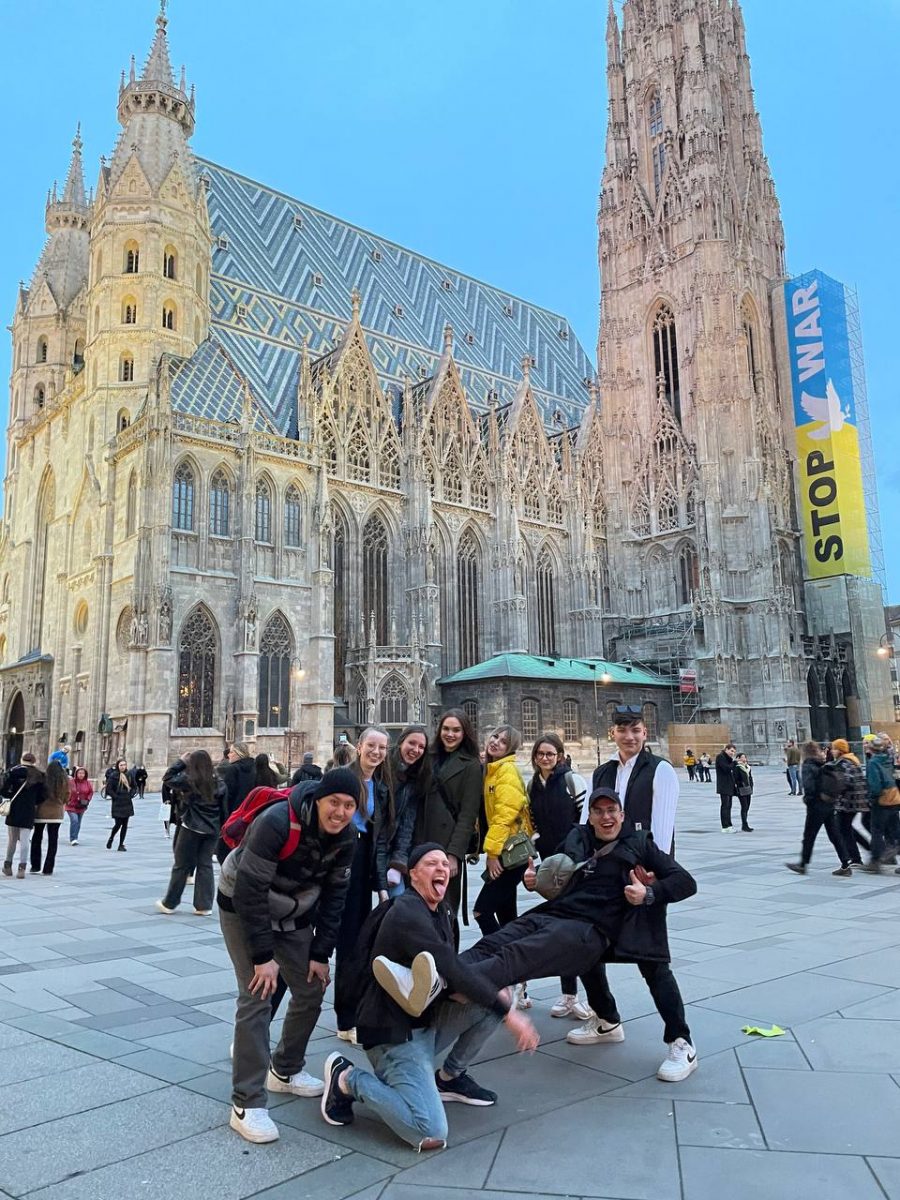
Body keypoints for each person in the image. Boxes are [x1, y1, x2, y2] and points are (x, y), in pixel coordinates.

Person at [386, 788, 699, 1083]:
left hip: (589, 928)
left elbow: (685, 881)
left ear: (622, 814)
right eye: (598, 811)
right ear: (590, 816)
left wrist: (648, 893)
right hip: (555, 913)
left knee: (517, 955)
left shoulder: (639, 844)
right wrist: (535, 880)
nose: (606, 817)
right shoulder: (579, 838)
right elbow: (554, 875)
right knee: (495, 942)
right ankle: (434, 976)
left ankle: (682, 1043)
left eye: (612, 811)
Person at [319, 843, 539, 1148]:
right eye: (431, 864)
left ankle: (449, 1077)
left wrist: (487, 997)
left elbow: (452, 971)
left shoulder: (441, 910)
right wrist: (510, 1015)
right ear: (413, 875)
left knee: (495, 999)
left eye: (445, 864)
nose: (441, 869)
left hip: (426, 1023)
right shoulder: (407, 912)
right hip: (393, 1035)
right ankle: (347, 1078)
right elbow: (451, 966)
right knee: (430, 1131)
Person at [217, 769, 360, 1144]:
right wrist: (263, 957)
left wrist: (320, 953)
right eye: (334, 802)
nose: (340, 812)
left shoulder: (347, 837)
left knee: (312, 987)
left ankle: (285, 1070)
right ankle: (246, 1103)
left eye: (349, 805)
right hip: (242, 905)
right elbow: (249, 890)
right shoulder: (278, 821)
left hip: (292, 910)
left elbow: (336, 898)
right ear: (319, 799)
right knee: (257, 994)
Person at [333, 727, 394, 1039]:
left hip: (361, 866)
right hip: (337, 862)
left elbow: (378, 840)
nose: (376, 752)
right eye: (371, 745)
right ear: (359, 746)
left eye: (382, 747)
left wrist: (381, 885)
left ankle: (349, 1017)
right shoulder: (342, 777)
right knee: (334, 942)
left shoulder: (381, 786)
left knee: (355, 943)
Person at [526, 732, 590, 1019]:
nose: (545, 758)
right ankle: (569, 995)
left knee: (577, 928)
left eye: (550, 754)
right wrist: (538, 845)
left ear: (560, 756)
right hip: (550, 863)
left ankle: (587, 998)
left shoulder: (572, 781)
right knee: (562, 928)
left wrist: (576, 853)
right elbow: (533, 822)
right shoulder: (533, 785)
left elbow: (584, 821)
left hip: (574, 865)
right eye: (540, 754)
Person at [473, 725, 533, 1009]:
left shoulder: (505, 771)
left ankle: (506, 970)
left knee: (482, 910)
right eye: (495, 737)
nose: (496, 742)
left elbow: (504, 816)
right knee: (508, 919)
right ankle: (520, 981)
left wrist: (492, 853)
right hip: (510, 855)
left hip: (509, 856)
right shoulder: (492, 770)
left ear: (511, 749)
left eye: (504, 741)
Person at [414, 708, 482, 932]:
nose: (450, 734)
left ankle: (448, 953)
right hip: (421, 840)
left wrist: (453, 855)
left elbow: (467, 815)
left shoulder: (471, 765)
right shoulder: (428, 756)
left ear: (465, 733)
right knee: (418, 909)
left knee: (445, 910)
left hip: (446, 847)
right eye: (446, 729)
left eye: (456, 730)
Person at [592, 708, 678, 854]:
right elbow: (588, 821)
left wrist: (655, 864)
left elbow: (663, 829)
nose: (629, 737)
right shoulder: (600, 773)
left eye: (635, 730)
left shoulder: (661, 769)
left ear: (644, 733)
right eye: (622, 730)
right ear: (612, 733)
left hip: (643, 859)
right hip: (608, 859)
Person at [156, 750, 228, 915]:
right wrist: (221, 828)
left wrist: (181, 761)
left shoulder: (189, 780)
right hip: (212, 829)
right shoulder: (219, 782)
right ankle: (204, 905)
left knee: (181, 865)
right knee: (205, 865)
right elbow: (224, 809)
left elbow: (167, 778)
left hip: (191, 827)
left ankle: (170, 903)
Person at [785, 741, 852, 876]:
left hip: (816, 805)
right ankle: (845, 863)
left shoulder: (808, 765)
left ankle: (803, 864)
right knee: (834, 834)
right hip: (828, 803)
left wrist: (807, 800)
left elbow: (809, 786)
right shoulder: (822, 763)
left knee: (809, 836)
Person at [386, 725, 431, 896]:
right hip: (369, 847)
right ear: (400, 742)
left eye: (421, 747)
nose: (416, 750)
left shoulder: (416, 777)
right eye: (412, 743)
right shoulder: (382, 766)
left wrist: (398, 861)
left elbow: (407, 823)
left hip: (390, 848)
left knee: (398, 900)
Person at [822, 739, 867, 867]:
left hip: (847, 802)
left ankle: (856, 858)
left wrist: (835, 789)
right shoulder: (852, 760)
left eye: (834, 749)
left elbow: (846, 781)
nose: (832, 751)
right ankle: (863, 851)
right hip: (855, 801)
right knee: (845, 828)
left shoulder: (844, 763)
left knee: (842, 829)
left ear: (840, 750)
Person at [862, 734, 900, 874]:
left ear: (871, 749)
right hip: (894, 798)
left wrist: (872, 798)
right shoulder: (887, 759)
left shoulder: (873, 762)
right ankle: (891, 851)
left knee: (877, 830)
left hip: (881, 800)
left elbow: (875, 784)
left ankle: (875, 861)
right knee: (896, 831)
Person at [2, 753, 44, 878]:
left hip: (14, 809)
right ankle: (22, 868)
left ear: (22, 760)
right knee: (25, 840)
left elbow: (3, 790)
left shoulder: (13, 772)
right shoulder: (39, 775)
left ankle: (8, 866)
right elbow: (42, 795)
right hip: (29, 810)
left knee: (12, 840)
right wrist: (33, 801)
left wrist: (11, 796)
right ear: (34, 761)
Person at [30, 760, 68, 875]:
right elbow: (67, 796)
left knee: (37, 837)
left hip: (41, 812)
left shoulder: (43, 779)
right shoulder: (64, 781)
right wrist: (61, 803)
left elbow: (37, 794)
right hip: (56, 814)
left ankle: (35, 865)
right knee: (53, 840)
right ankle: (48, 868)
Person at [104, 759, 136, 851]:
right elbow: (109, 789)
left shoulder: (129, 775)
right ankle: (111, 837)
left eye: (124, 765)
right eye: (121, 765)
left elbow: (134, 786)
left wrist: (131, 794)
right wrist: (115, 796)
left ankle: (121, 844)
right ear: (118, 766)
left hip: (127, 801)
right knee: (118, 824)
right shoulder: (114, 776)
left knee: (125, 824)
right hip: (117, 802)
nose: (123, 767)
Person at [65, 767, 94, 844]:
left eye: (83, 773)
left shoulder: (87, 783)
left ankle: (75, 837)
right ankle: (73, 838)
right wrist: (67, 800)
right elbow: (66, 791)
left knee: (78, 822)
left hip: (82, 805)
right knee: (74, 820)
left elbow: (91, 792)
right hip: (71, 805)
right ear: (76, 774)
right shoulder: (71, 782)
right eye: (79, 773)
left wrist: (88, 800)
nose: (81, 775)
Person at [714, 743, 740, 832]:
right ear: (726, 749)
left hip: (729, 785)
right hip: (723, 785)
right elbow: (726, 769)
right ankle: (725, 826)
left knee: (729, 806)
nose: (732, 753)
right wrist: (734, 763)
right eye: (731, 751)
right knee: (725, 806)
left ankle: (729, 825)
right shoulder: (720, 757)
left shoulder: (728, 759)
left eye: (734, 752)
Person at [734, 753, 754, 832]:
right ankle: (744, 825)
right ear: (738, 758)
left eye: (745, 757)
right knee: (744, 807)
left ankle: (745, 823)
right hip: (741, 789)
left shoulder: (748, 767)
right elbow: (735, 778)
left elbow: (750, 777)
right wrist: (740, 785)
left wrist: (751, 786)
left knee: (747, 807)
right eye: (742, 757)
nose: (744, 759)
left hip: (748, 789)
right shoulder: (737, 767)